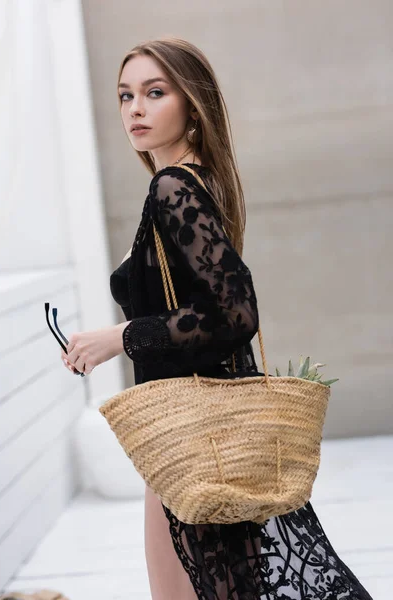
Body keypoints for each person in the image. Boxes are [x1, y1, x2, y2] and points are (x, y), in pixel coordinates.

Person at [61, 37, 373, 600]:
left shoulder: (174, 187)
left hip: (193, 429)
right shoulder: (197, 182)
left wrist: (120, 336)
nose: (135, 108)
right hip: (195, 430)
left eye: (154, 93)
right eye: (125, 94)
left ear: (192, 104)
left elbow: (234, 313)